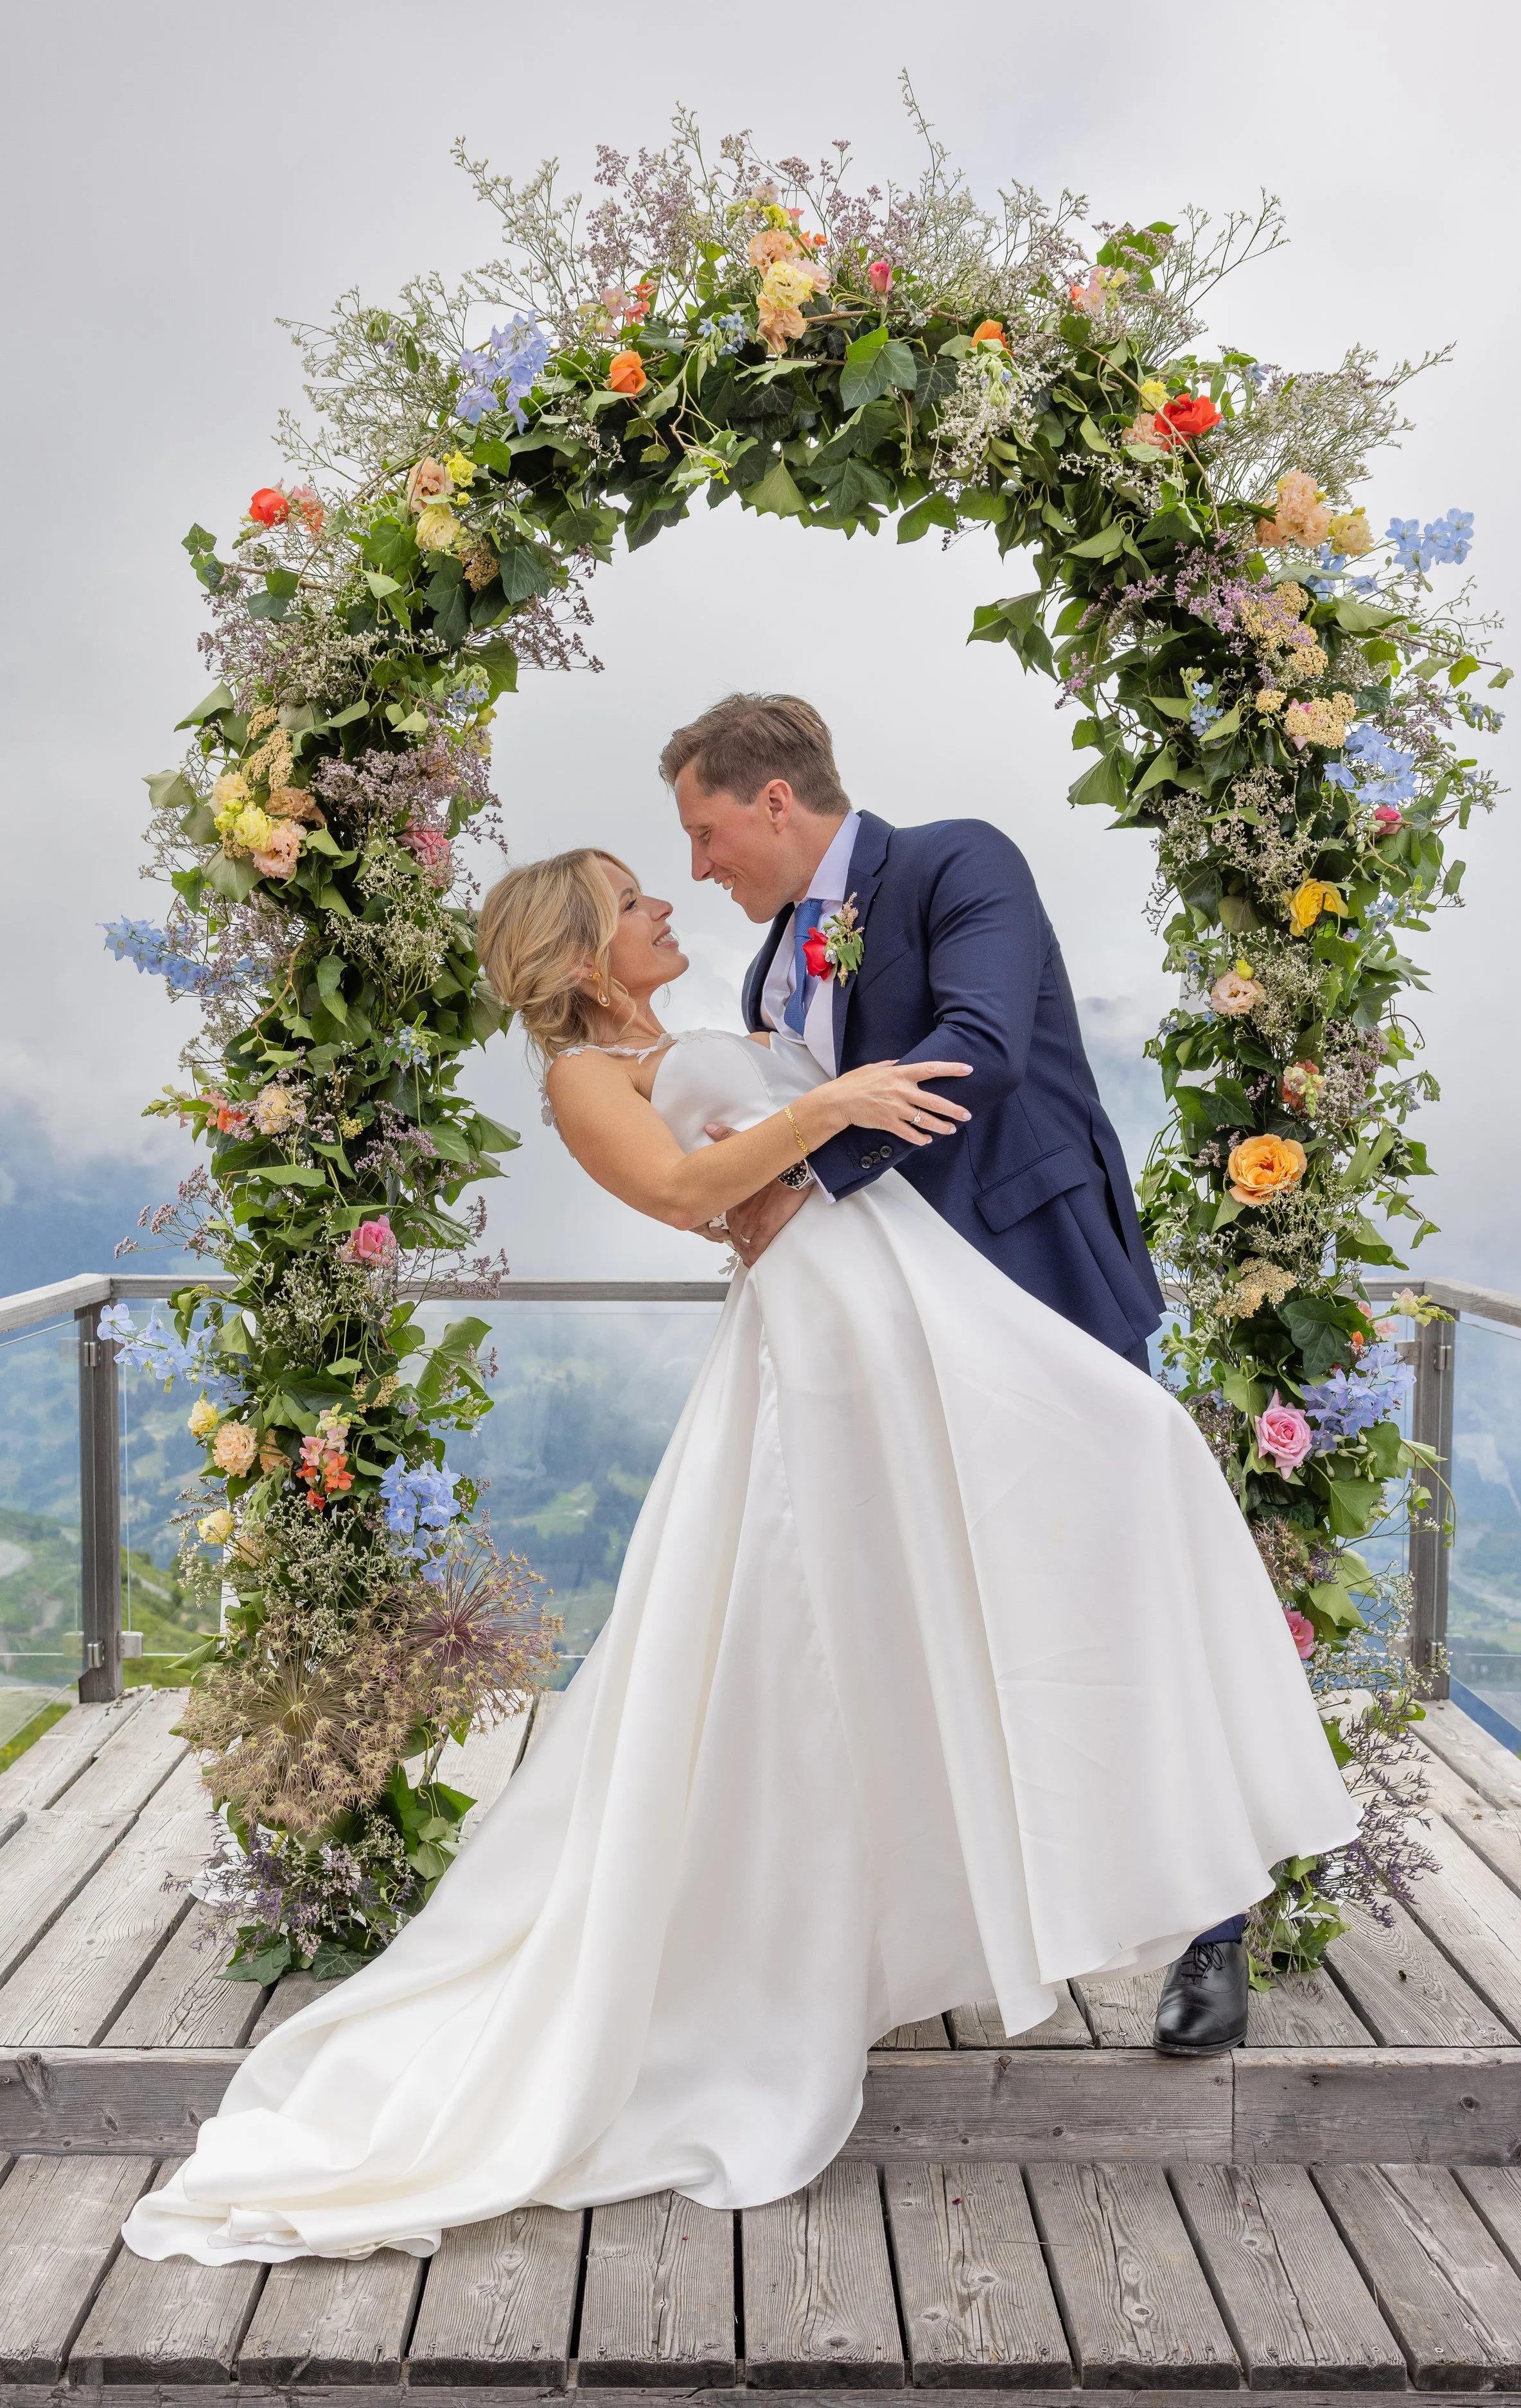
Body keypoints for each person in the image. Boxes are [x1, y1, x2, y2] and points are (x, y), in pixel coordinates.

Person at [123, 800, 1357, 2271]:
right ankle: (804, 1943)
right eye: (636, 899)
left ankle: (1133, 1871)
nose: (670, 903)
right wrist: (828, 1112)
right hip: (827, 1336)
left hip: (906, 1295)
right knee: (815, 1629)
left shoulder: (751, 994)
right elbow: (680, 1190)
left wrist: (825, 1118)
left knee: (1125, 1463)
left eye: (674, 870)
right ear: (582, 957)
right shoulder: (583, 1075)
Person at [665, 694, 1258, 2053]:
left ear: (772, 801)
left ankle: (1213, 1930)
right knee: (952, 1609)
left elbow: (978, 1049)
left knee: (1123, 1591)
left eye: (705, 833)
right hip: (897, 1334)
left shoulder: (953, 861)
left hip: (1034, 1277)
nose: (700, 867)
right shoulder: (769, 970)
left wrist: (805, 1166)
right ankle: (968, 1916)